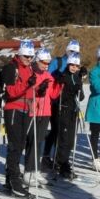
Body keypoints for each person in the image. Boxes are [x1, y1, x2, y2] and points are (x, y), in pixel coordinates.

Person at [0, 40, 38, 197]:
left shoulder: (28, 68)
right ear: (20, 54)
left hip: (24, 109)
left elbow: (28, 89)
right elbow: (10, 92)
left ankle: (11, 179)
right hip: (13, 108)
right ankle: (14, 181)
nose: (29, 59)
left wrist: (38, 89)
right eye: (27, 56)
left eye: (31, 56)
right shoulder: (11, 68)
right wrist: (27, 85)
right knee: (15, 145)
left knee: (20, 144)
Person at [42, 38, 80, 167]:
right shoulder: (58, 62)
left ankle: (60, 158)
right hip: (54, 101)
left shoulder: (75, 64)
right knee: (55, 130)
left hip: (67, 103)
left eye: (76, 51)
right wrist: (57, 77)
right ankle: (47, 155)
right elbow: (48, 77)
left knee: (62, 133)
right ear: (67, 50)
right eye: (71, 50)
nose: (73, 53)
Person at [25, 48, 60, 177]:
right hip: (34, 111)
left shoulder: (48, 76)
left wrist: (59, 85)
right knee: (31, 140)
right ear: (37, 61)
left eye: (48, 64)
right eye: (43, 63)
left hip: (45, 112)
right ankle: (28, 170)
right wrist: (38, 88)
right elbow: (28, 91)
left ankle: (36, 169)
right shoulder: (31, 73)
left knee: (39, 141)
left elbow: (52, 95)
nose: (46, 66)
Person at [53, 52, 86, 179]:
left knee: (71, 140)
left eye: (76, 66)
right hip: (64, 110)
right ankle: (61, 163)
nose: (74, 67)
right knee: (64, 139)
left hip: (74, 111)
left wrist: (79, 87)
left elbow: (81, 97)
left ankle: (64, 162)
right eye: (72, 65)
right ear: (68, 65)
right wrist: (71, 88)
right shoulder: (64, 76)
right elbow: (61, 95)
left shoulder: (77, 77)